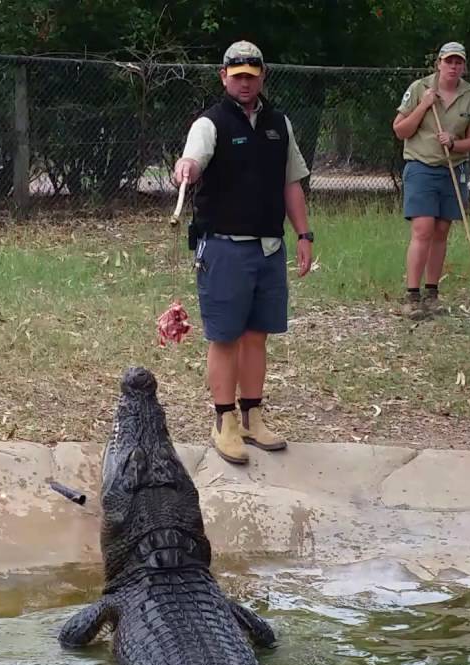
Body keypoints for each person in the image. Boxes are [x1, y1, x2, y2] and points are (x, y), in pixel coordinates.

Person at [172, 40, 315, 466]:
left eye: (252, 76)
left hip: (269, 247)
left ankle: (253, 414)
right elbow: (194, 160)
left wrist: (304, 235)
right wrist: (187, 168)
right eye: (237, 77)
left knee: (258, 335)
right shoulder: (209, 123)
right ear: (224, 78)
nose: (245, 84)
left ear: (262, 77)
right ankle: (225, 420)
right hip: (223, 247)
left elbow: (292, 183)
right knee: (226, 336)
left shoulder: (279, 124)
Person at [392, 41, 470, 320]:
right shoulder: (420, 88)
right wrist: (423, 106)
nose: (453, 67)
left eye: (459, 62)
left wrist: (454, 142)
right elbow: (400, 130)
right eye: (449, 61)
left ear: (464, 66)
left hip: (453, 168)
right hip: (421, 165)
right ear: (439, 63)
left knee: (442, 230)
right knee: (423, 228)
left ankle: (432, 294)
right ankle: (412, 296)